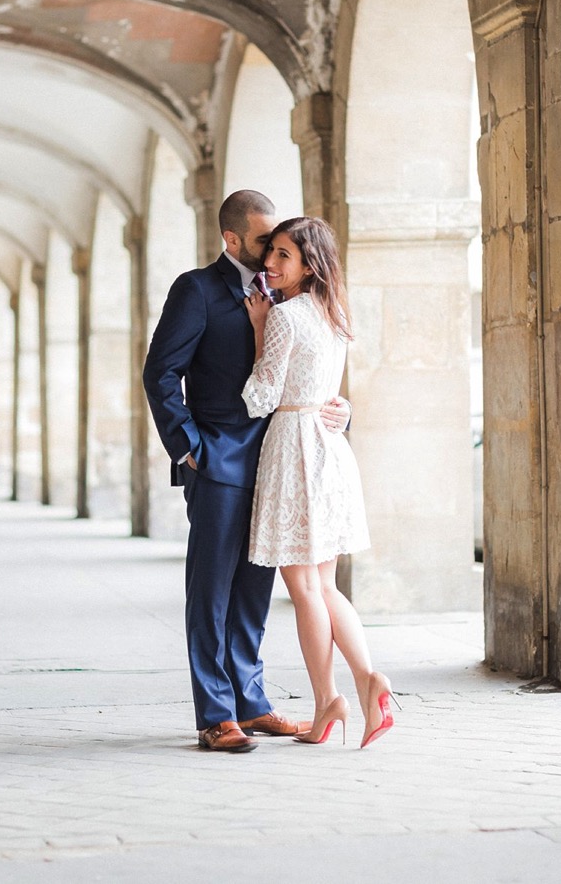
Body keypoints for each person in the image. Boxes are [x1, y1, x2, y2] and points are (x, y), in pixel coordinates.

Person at [142, 189, 349, 753]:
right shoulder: (197, 289)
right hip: (217, 461)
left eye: (279, 245)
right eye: (262, 242)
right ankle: (215, 715)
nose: (271, 254)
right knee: (211, 589)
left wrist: (338, 410)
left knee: (256, 589)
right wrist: (188, 448)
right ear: (231, 239)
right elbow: (161, 373)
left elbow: (309, 367)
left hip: (281, 460)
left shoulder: (288, 294)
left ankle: (252, 703)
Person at [241, 216, 394, 748]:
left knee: (305, 588)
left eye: (283, 255)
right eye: (271, 254)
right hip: (329, 447)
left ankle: (330, 696)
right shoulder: (335, 313)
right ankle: (366, 679)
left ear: (309, 263)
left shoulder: (285, 317)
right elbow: (327, 385)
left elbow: (260, 398)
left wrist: (260, 328)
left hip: (294, 446)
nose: (270, 265)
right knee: (324, 585)